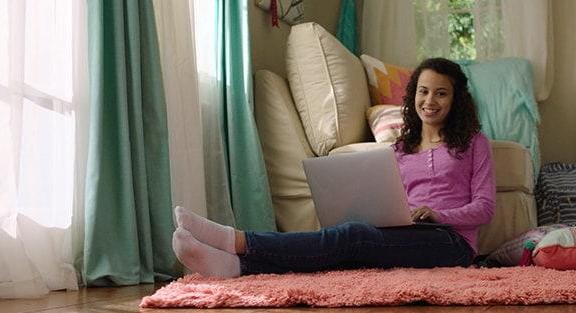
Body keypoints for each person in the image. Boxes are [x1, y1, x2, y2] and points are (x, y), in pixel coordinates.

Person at [172, 57, 495, 278]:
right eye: (423, 91)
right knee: (344, 250)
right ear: (413, 96)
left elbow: (485, 208)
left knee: (353, 237)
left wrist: (439, 215)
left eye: (441, 93)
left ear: (456, 100)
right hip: (405, 231)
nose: (430, 100)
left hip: (451, 243)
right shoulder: (399, 147)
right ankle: (237, 267)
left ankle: (236, 240)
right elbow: (388, 198)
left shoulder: (473, 142)